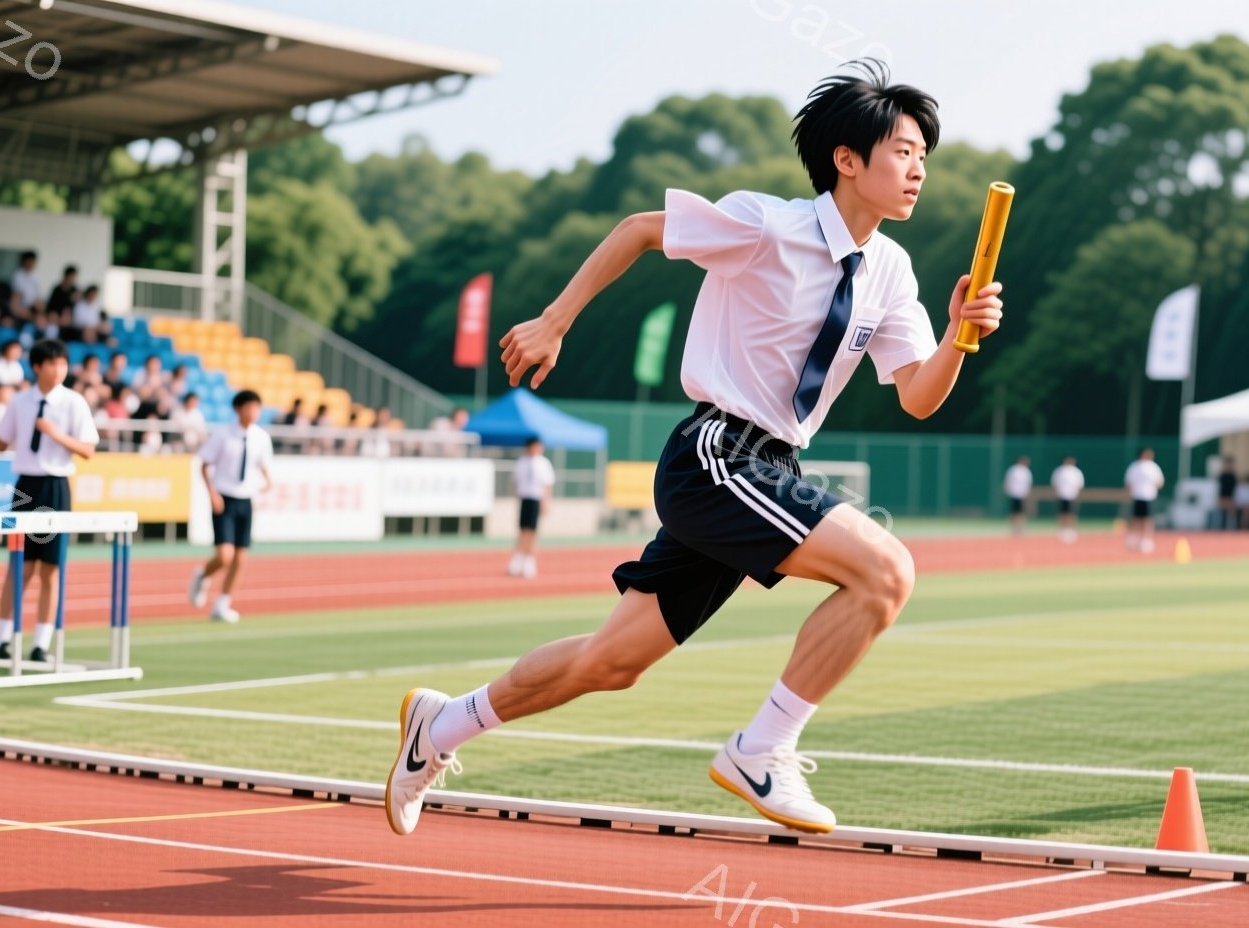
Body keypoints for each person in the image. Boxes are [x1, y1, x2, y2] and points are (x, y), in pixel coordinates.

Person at [385, 60, 1002, 837]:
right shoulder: (768, 224)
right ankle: (762, 748)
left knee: (610, 663)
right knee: (887, 572)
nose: (918, 170)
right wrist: (553, 321)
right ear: (847, 160)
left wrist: (958, 338)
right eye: (904, 151)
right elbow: (640, 230)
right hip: (716, 454)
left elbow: (917, 393)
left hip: (771, 469)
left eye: (923, 156)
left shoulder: (891, 272)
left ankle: (439, 728)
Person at [0, 339, 99, 662]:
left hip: (55, 486)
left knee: (50, 568)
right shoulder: (21, 401)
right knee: (18, 566)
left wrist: (54, 433)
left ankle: (40, 644)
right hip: (25, 486)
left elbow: (88, 449)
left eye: (63, 363)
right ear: (37, 367)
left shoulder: (74, 402)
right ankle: (3, 641)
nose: (59, 369)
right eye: (53, 363)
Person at [189, 390, 274, 624]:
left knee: (240, 558)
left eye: (257, 408)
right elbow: (204, 464)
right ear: (239, 409)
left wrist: (268, 479)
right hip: (224, 498)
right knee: (224, 556)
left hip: (245, 500)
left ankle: (223, 603)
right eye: (250, 407)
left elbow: (262, 462)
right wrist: (212, 494)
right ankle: (202, 574)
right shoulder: (222, 435)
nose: (254, 413)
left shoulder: (261, 437)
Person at [510, 436, 557, 577]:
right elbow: (516, 482)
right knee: (523, 529)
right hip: (525, 498)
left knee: (532, 531)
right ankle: (518, 558)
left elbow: (547, 484)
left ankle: (529, 560)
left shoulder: (543, 463)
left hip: (536, 499)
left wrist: (545, 502)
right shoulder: (522, 462)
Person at [1124, 447, 1164, 553]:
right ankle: (1135, 538)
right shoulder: (1134, 467)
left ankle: (1146, 540)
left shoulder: (1153, 467)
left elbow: (1160, 482)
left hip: (1149, 496)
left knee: (1148, 519)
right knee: (1137, 519)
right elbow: (1129, 482)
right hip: (1137, 496)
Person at [1050, 455, 1085, 542]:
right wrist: (1056, 494)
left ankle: (1070, 530)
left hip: (1072, 496)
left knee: (1072, 513)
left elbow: (1080, 485)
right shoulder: (1059, 471)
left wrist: (1078, 495)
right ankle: (1062, 529)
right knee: (1062, 513)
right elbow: (1055, 484)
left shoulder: (1076, 472)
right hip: (1062, 495)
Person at [1004, 455, 1033, 536]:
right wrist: (1008, 490)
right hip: (1014, 494)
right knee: (1014, 512)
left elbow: (1028, 484)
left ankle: (1021, 528)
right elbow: (1008, 481)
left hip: (1023, 494)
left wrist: (1027, 494)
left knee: (1022, 512)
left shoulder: (1026, 471)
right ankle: (1013, 528)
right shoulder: (1013, 470)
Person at [10, 251, 42, 315]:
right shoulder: (18, 275)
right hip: (21, 305)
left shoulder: (36, 276)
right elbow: (17, 295)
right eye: (29, 262)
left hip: (33, 306)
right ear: (24, 262)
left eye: (32, 262)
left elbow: (38, 296)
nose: (31, 264)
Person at [1215, 455, 1238, 530]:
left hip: (1230, 496)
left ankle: (1230, 529)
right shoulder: (1222, 475)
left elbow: (1234, 487)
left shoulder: (1233, 475)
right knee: (1220, 513)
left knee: (1230, 514)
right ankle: (1219, 528)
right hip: (1222, 496)